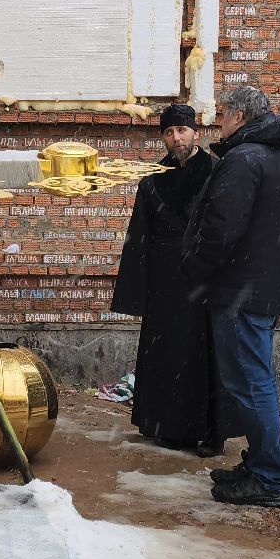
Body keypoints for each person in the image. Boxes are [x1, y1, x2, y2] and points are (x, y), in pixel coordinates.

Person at [180, 84, 280, 508]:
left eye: (223, 112)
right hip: (259, 287)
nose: (218, 120)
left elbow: (221, 230)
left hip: (240, 292)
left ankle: (268, 479)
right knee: (252, 381)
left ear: (239, 116)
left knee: (251, 384)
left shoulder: (245, 160)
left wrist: (194, 269)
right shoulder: (277, 156)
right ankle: (260, 465)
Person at [110, 103, 221, 455]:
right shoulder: (155, 177)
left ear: (195, 133)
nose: (177, 138)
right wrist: (137, 289)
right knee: (167, 353)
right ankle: (165, 424)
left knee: (202, 355)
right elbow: (140, 233)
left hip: (203, 278)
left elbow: (223, 223)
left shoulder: (215, 171)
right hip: (165, 281)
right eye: (170, 132)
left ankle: (206, 431)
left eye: (182, 131)